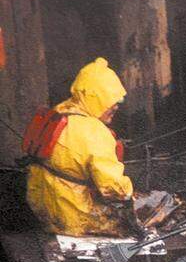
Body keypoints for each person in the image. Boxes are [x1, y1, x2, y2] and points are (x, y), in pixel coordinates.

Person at [23, 58, 135, 236]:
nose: (116, 107)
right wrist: (130, 195)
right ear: (95, 97)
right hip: (74, 219)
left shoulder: (59, 112)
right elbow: (113, 187)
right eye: (112, 101)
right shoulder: (94, 132)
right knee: (135, 222)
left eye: (118, 101)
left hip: (43, 212)